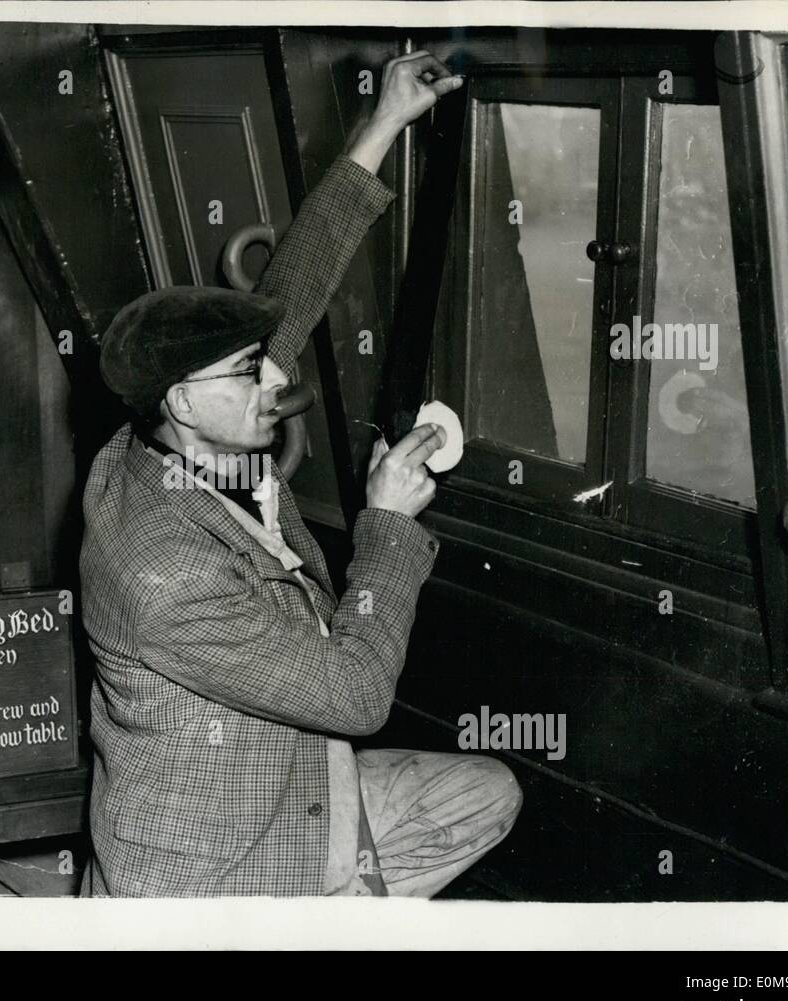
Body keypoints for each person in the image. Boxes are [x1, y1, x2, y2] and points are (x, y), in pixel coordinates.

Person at [80, 52, 521, 897]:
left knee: (485, 794)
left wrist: (385, 119)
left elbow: (293, 290)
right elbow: (357, 699)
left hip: (293, 782)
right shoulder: (161, 571)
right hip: (207, 877)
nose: (278, 382)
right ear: (182, 399)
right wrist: (386, 526)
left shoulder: (169, 431)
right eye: (254, 372)